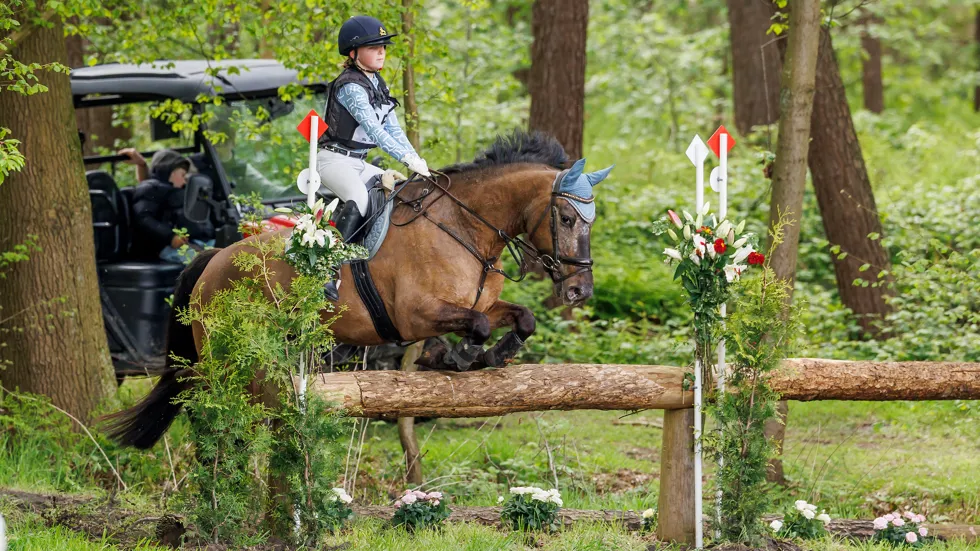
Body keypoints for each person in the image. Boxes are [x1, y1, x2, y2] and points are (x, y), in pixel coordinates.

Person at [318, 15, 432, 243]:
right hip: (333, 161)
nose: (381, 52)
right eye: (373, 48)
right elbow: (375, 131)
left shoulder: (378, 83)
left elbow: (394, 129)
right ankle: (337, 259)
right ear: (353, 53)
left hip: (358, 162)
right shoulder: (351, 87)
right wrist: (406, 159)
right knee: (360, 199)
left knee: (399, 193)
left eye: (383, 47)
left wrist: (417, 160)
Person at [126, 149, 216, 264]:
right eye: (182, 175)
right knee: (205, 263)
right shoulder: (150, 188)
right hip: (166, 247)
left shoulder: (176, 191)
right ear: (169, 170)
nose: (185, 181)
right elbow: (144, 219)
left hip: (195, 242)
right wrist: (170, 237)